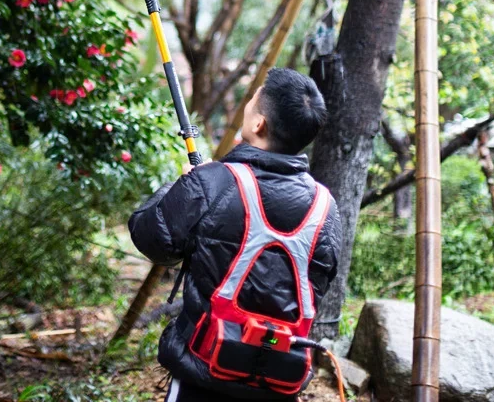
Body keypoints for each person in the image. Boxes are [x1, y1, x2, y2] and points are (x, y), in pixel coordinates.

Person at [129, 68, 342, 401]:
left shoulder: (212, 182)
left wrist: (183, 185)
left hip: (203, 372)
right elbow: (320, 282)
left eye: (252, 100)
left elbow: (151, 238)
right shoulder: (326, 208)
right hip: (278, 377)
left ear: (259, 124)